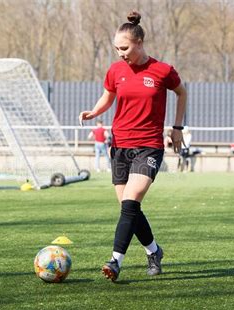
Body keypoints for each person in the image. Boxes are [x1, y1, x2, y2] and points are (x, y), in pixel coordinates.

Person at [79, 11, 187, 281]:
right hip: (120, 146)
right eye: (116, 48)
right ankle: (154, 251)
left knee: (130, 202)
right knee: (129, 208)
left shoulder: (162, 70)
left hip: (149, 146)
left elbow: (182, 93)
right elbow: (108, 95)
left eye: (124, 48)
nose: (120, 53)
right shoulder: (116, 70)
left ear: (139, 43)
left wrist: (176, 128)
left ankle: (115, 261)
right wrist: (94, 112)